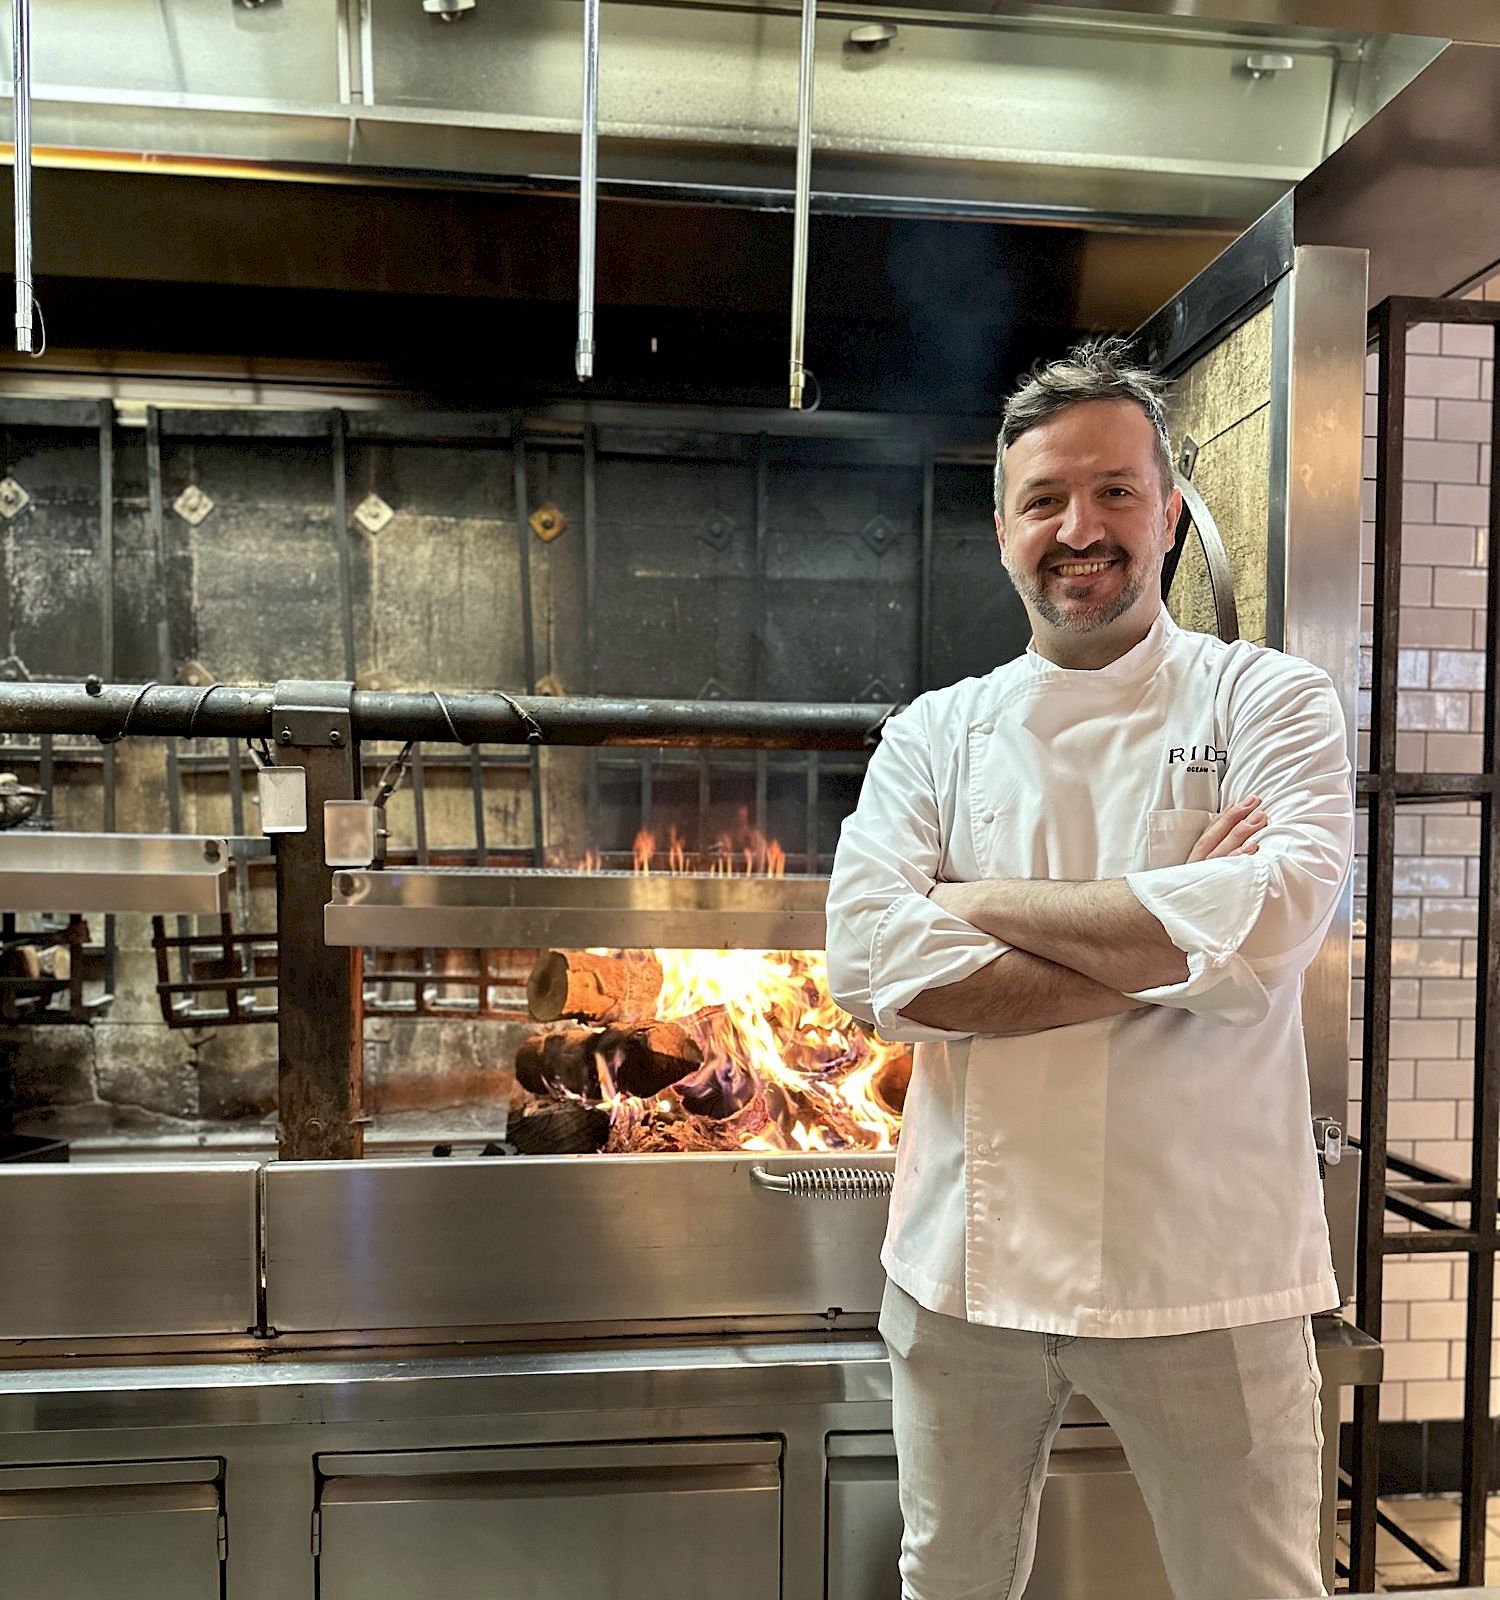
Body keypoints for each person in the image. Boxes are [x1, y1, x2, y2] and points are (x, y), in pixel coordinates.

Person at [825, 337, 1355, 1600]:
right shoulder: (935, 733)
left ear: (1171, 512)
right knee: (947, 1581)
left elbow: (1276, 916)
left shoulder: (1270, 703)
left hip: (1207, 1267)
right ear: (1002, 525)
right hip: (964, 1271)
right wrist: (1181, 949)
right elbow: (867, 959)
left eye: (1117, 491)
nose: (1082, 527)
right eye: (1045, 498)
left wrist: (972, 905)